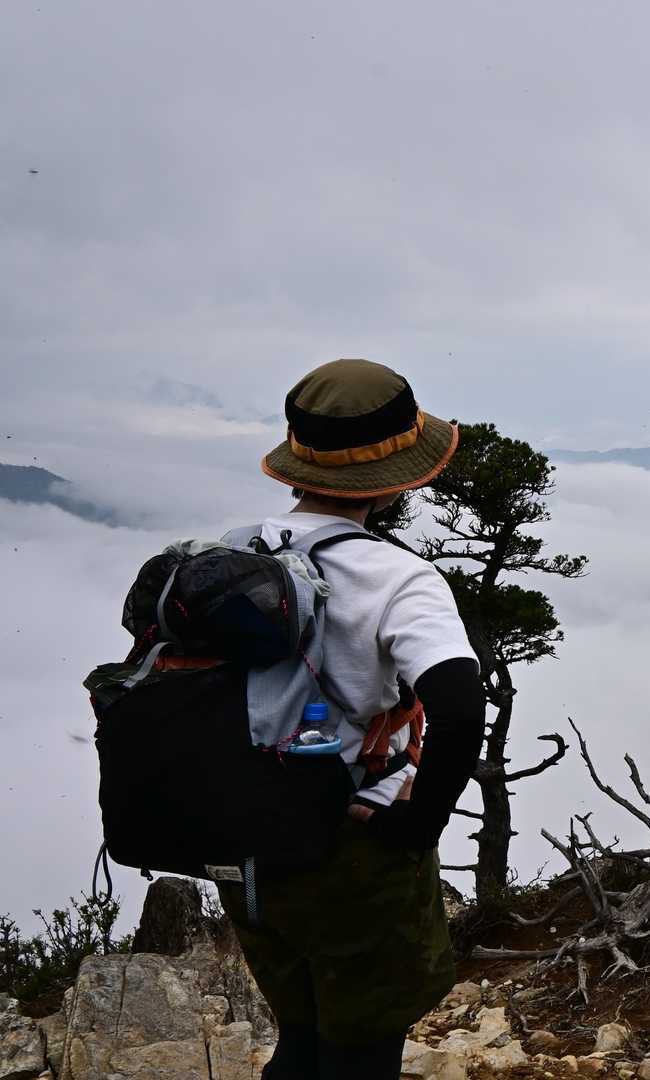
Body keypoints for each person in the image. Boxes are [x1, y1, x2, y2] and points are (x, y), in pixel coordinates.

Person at [214, 358, 486, 1079]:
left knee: (300, 1036)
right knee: (361, 1052)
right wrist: (416, 826)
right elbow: (461, 710)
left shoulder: (228, 552)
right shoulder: (399, 578)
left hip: (244, 848)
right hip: (352, 850)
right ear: (396, 479)